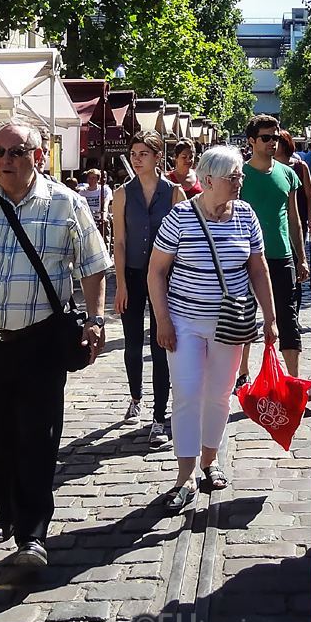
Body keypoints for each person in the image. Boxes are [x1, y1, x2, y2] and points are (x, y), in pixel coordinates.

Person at [0, 118, 111, 567]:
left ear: (39, 155)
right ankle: (5, 512)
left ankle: (32, 534)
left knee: (38, 435)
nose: (6, 161)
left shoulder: (66, 204)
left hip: (41, 339)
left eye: (16, 152)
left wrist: (94, 319)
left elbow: (92, 265)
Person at [148, 146, 277, 510]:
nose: (240, 181)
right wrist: (162, 320)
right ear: (207, 181)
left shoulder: (246, 215)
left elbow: (258, 267)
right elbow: (156, 271)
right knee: (187, 393)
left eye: (240, 175)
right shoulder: (180, 217)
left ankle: (209, 459)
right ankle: (185, 473)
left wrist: (270, 318)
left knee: (219, 394)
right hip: (184, 321)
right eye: (233, 176)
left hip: (231, 323)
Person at [111, 131, 185, 447]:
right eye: (133, 152)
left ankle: (158, 416)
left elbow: (182, 242)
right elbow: (120, 241)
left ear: (157, 156)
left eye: (143, 153)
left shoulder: (174, 193)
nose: (136, 158)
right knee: (132, 343)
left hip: (166, 277)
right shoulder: (122, 194)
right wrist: (121, 285)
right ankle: (135, 397)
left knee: (160, 345)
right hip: (133, 272)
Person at [235, 115, 308, 386]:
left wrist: (301, 258)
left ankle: (293, 382)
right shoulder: (240, 176)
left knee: (288, 318)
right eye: (266, 137)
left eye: (275, 137)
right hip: (247, 257)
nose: (272, 142)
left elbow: (294, 219)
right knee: (245, 314)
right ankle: (243, 374)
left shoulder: (288, 173)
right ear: (252, 141)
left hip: (282, 255)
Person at [275, 130, 311, 319]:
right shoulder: (268, 168)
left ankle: (294, 312)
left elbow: (309, 194)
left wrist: (310, 217)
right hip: (276, 223)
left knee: (297, 262)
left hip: (298, 221)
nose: (273, 144)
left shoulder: (300, 166)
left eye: (277, 141)